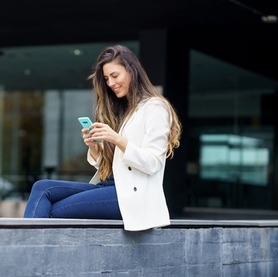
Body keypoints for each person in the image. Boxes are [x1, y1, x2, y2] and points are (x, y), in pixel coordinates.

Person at [23, 44, 182, 231]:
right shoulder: (123, 110)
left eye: (115, 76)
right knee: (43, 188)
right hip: (108, 186)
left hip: (131, 195)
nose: (110, 83)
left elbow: (153, 163)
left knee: (53, 211)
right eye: (106, 78)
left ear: (132, 71)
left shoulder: (155, 107)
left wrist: (117, 139)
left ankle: (23, 255)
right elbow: (110, 168)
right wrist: (94, 147)